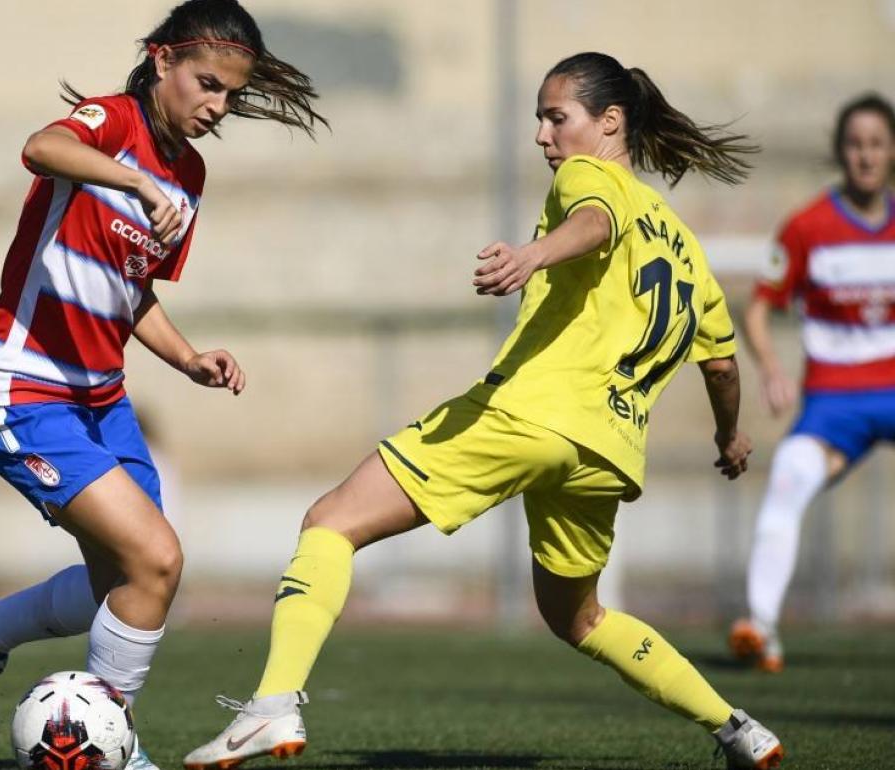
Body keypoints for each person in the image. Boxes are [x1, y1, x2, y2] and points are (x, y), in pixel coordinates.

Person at [184, 52, 784, 770]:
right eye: (539, 118)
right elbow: (721, 365)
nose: (542, 135)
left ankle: (270, 708)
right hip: (608, 452)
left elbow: (594, 221)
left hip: (531, 414)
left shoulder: (589, 176)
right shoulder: (688, 250)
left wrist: (534, 255)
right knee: (579, 617)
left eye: (555, 117)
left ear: (610, 122)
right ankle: (738, 728)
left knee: (329, 523)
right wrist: (731, 434)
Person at [0, 2, 325, 767]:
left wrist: (186, 359)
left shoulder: (190, 171)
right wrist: (131, 180)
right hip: (20, 388)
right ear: (162, 61)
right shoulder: (110, 123)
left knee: (129, 577)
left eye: (229, 97)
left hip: (101, 400)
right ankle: (118, 748)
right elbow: (40, 146)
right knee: (155, 558)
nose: (215, 107)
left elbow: (131, 289)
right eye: (206, 84)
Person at [729, 93, 895, 674]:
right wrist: (773, 368)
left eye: (876, 144)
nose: (866, 156)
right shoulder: (808, 226)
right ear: (840, 152)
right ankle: (761, 627)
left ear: (891, 151)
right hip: (834, 405)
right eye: (855, 145)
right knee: (789, 480)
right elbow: (757, 310)